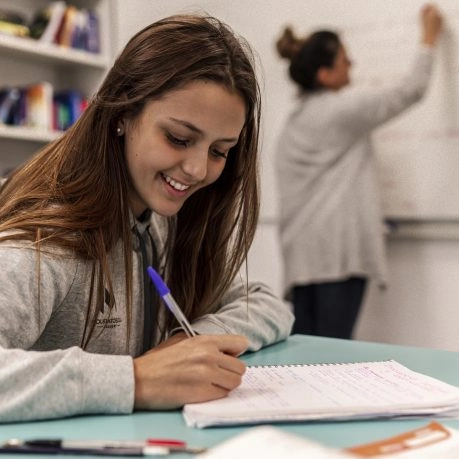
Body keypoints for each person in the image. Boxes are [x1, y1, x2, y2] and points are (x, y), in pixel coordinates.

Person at [0, 14, 294, 423]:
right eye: (178, 138)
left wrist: (188, 345)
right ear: (122, 113)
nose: (196, 169)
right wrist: (136, 379)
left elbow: (265, 304)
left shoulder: (156, 220)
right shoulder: (46, 238)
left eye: (219, 151)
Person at [274, 4, 443, 339]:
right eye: (345, 60)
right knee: (332, 357)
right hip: (337, 258)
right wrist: (429, 37)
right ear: (324, 74)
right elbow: (411, 90)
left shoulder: (294, 121)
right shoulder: (340, 110)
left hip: (303, 260)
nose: (352, 65)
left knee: (308, 352)